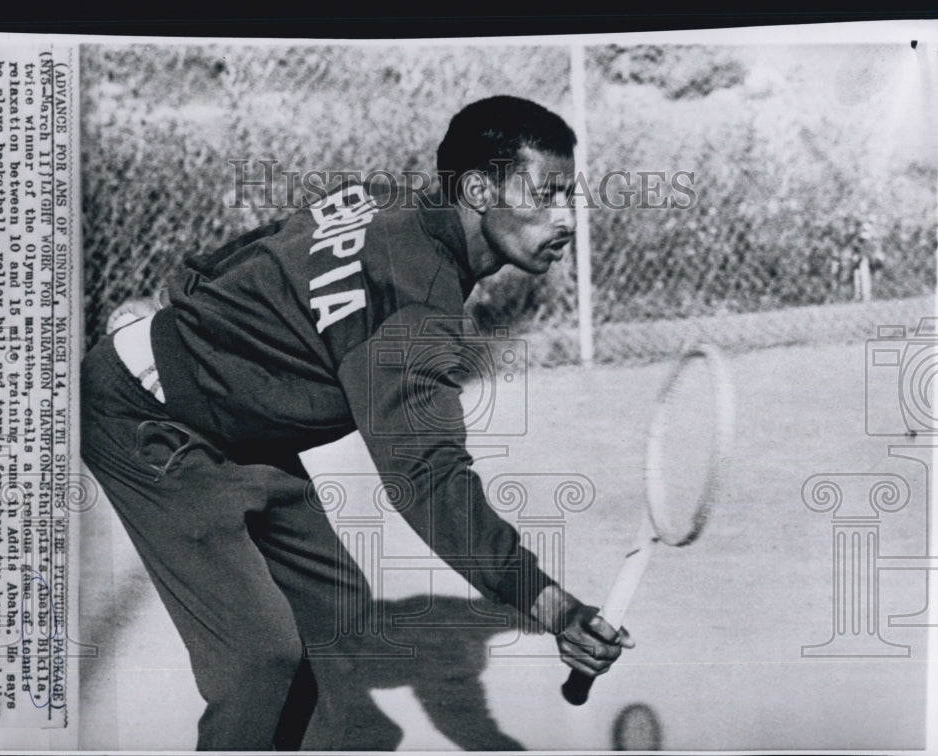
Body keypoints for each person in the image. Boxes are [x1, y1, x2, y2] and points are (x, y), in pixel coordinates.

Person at [81, 95, 633, 751]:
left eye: (572, 195)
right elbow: (428, 480)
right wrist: (552, 606)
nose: (567, 217)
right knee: (261, 662)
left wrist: (187, 300)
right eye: (548, 194)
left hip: (240, 427)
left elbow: (260, 245)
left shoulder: (380, 201)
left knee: (336, 612)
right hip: (151, 422)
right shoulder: (417, 307)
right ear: (481, 189)